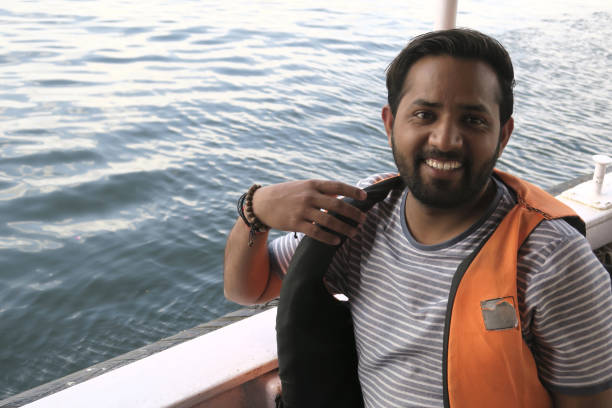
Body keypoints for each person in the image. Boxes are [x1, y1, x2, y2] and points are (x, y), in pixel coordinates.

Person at [223, 28, 612, 407]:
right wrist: (254, 211)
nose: (445, 139)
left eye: (473, 120)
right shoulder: (362, 218)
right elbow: (248, 289)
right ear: (390, 123)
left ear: (503, 134)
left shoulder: (552, 259)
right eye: (425, 114)